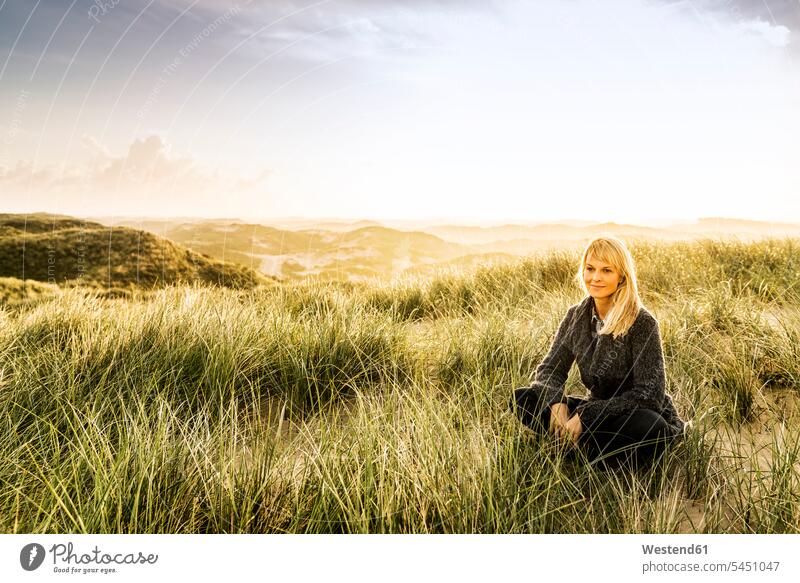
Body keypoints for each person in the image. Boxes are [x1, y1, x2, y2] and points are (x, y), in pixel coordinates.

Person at [510, 236, 685, 468]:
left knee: (648, 425)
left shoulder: (642, 323)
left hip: (632, 414)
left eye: (606, 270)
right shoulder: (575, 316)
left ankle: (582, 450)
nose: (595, 277)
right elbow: (551, 369)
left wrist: (586, 416)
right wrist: (556, 404)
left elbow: (649, 395)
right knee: (523, 398)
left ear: (621, 276)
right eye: (590, 269)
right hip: (596, 412)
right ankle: (590, 449)